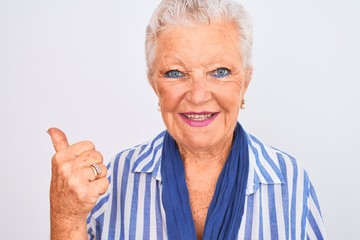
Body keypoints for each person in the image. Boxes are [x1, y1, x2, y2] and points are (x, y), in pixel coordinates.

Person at [48, 0, 326, 239]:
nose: (198, 95)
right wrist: (67, 218)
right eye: (175, 73)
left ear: (246, 82)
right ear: (154, 85)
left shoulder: (290, 181)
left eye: (219, 71)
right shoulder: (115, 178)